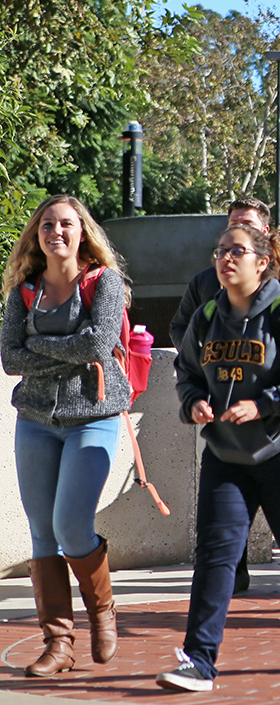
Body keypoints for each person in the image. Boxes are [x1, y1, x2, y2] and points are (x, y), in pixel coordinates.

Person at [159, 224, 280, 691]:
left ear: (261, 262)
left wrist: (264, 404)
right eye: (220, 251)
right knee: (216, 556)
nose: (225, 259)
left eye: (236, 251)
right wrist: (194, 403)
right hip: (227, 454)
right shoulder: (206, 315)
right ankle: (199, 661)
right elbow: (186, 374)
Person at [1, 195, 129, 676]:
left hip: (91, 415)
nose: (56, 231)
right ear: (36, 234)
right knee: (41, 533)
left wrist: (40, 344)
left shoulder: (104, 282)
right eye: (47, 224)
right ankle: (58, 644)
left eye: (67, 224)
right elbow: (10, 359)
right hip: (35, 420)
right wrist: (67, 350)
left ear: (83, 231)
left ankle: (102, 612)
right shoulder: (24, 291)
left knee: (72, 525)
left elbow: (99, 342)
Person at [169, 197, 280, 595]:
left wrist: (266, 384)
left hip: (277, 417)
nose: (232, 248)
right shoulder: (205, 282)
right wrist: (203, 367)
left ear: (265, 237)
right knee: (227, 506)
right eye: (230, 230)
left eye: (247, 228)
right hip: (221, 414)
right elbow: (181, 331)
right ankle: (233, 570)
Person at [170, 198, 280, 350]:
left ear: (265, 231)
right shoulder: (204, 280)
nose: (240, 230)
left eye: (248, 225)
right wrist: (200, 359)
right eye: (234, 225)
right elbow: (180, 327)